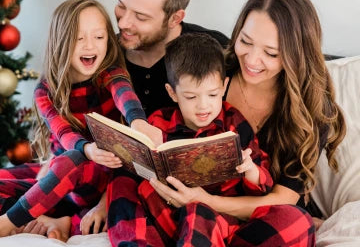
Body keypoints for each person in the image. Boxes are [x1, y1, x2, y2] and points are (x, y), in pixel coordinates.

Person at [130, 0, 347, 246]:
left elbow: (284, 198)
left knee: (296, 222)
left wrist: (207, 201)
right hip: (185, 211)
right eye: (245, 41)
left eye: (271, 53)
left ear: (295, 55)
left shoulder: (312, 109)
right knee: (133, 191)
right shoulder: (214, 72)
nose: (252, 60)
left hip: (251, 220)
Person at [0, 0, 153, 241]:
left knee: (73, 160)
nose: (90, 46)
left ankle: (9, 223)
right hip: (59, 179)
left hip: (99, 179)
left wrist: (138, 122)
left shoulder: (111, 74)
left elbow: (125, 96)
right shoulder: (46, 90)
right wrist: (84, 150)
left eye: (99, 37)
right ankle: (43, 220)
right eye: (79, 38)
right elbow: (64, 134)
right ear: (61, 42)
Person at [107, 33, 274, 246]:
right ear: (173, 93)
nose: (203, 106)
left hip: (218, 218)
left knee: (200, 212)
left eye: (213, 95)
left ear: (224, 86)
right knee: (123, 178)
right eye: (191, 97)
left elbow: (265, 184)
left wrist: (250, 170)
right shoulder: (158, 122)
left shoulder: (234, 123)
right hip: (167, 215)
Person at [114, 0, 230, 119]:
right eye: (121, 5)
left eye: (141, 17)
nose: (122, 23)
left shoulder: (216, 50)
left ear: (175, 19)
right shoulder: (101, 52)